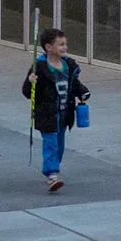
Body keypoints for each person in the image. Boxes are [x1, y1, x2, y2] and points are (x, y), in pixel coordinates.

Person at [24, 27, 89, 194]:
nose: (64, 47)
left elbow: (74, 84)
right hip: (47, 114)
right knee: (51, 144)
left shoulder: (68, 65)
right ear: (48, 47)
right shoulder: (39, 67)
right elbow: (27, 93)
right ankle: (52, 173)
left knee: (59, 145)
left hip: (64, 114)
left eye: (65, 44)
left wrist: (82, 92)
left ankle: (54, 169)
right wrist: (30, 82)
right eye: (60, 44)